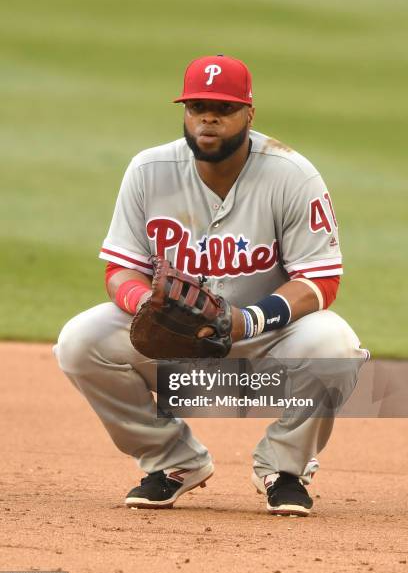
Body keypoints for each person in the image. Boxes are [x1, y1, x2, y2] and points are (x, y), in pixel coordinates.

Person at [55, 55, 368, 517]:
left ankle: (284, 469)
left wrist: (248, 320)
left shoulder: (292, 175)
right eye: (197, 106)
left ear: (249, 114)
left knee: (335, 345)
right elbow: (120, 268)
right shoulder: (148, 170)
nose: (209, 118)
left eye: (223, 108)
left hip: (265, 338)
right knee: (80, 342)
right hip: (179, 341)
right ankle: (173, 461)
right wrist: (152, 307)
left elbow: (320, 277)